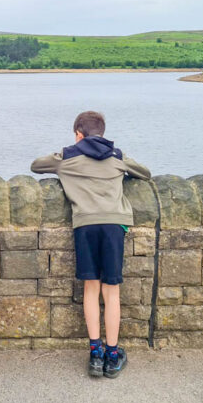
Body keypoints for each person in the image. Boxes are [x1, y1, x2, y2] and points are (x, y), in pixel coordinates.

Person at [30, 111, 150, 379]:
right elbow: (145, 173)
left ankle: (95, 354)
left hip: (85, 225)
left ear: (78, 134)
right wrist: (121, 160)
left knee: (91, 289)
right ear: (103, 133)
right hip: (113, 226)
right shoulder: (116, 157)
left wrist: (64, 153)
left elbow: (36, 166)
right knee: (112, 291)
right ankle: (112, 354)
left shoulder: (68, 157)